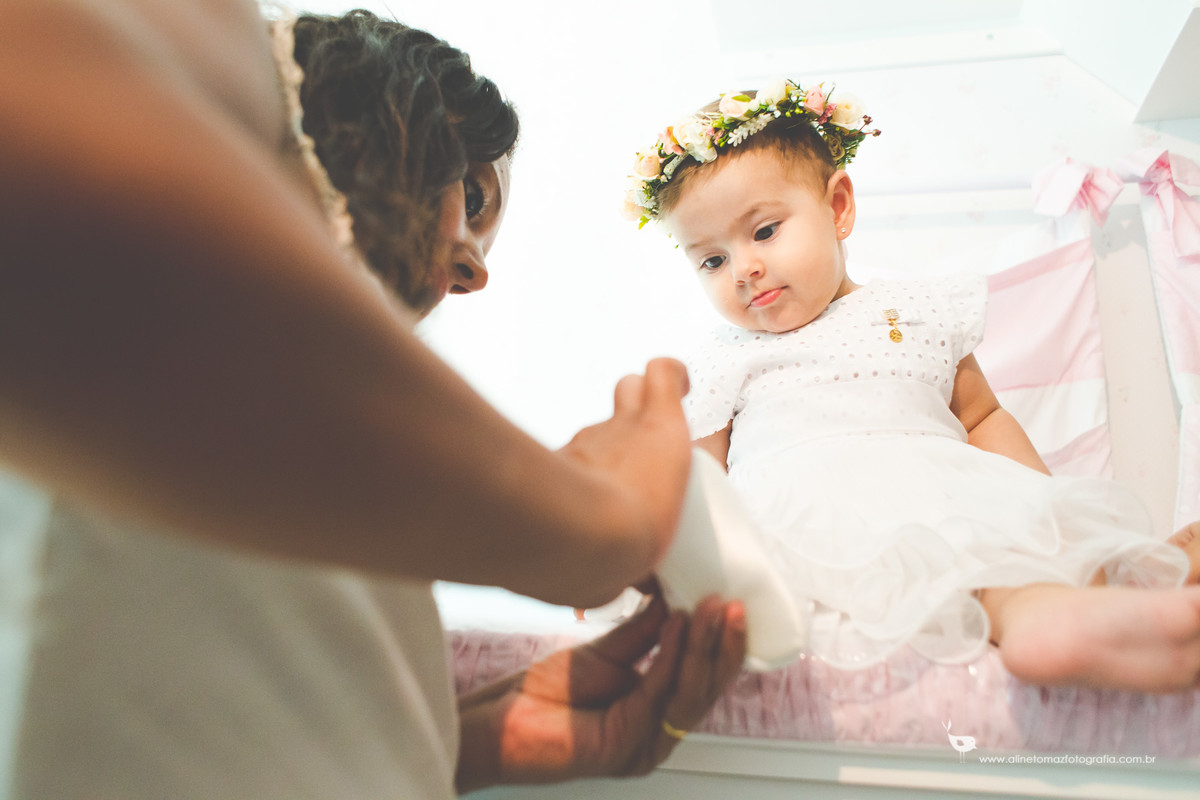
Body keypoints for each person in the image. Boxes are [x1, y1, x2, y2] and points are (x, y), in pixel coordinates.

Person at [0, 3, 745, 798]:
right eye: (476, 198)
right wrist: (595, 527)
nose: (473, 275)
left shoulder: (313, 446)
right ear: (389, 105)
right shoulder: (215, 54)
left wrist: (466, 744)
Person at [625, 78, 1200, 693]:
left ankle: (1070, 615)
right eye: (711, 260)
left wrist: (1042, 511)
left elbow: (981, 418)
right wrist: (647, 571)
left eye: (763, 231)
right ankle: (1065, 615)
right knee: (928, 573)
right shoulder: (725, 357)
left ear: (838, 206)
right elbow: (696, 486)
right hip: (807, 528)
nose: (743, 269)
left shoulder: (921, 309)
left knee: (998, 557)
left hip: (938, 496)